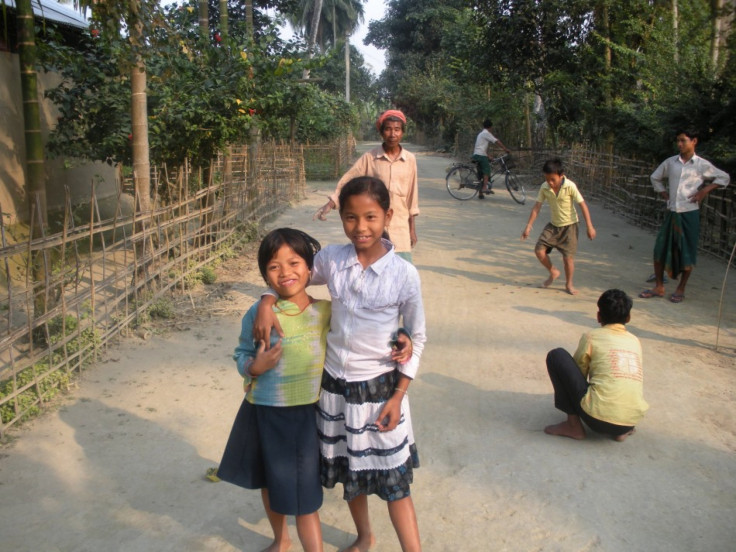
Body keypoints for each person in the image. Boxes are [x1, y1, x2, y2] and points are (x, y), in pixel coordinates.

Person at [259, 177, 427, 552]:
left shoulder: (403, 274)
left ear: (388, 215)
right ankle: (364, 536)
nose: (360, 227)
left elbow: (418, 336)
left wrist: (399, 394)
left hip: (381, 388)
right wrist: (267, 300)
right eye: (350, 217)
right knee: (354, 470)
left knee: (394, 481)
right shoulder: (333, 260)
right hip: (334, 387)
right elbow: (291, 276)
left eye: (370, 217)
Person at [216, 228, 330, 552]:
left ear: (310, 268)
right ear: (265, 273)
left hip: (304, 416)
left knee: (306, 497)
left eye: (294, 263)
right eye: (274, 267)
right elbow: (240, 353)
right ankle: (281, 541)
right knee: (269, 482)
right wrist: (254, 367)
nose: (285, 273)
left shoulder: (324, 314)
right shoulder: (258, 313)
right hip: (261, 411)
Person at [314, 110, 419, 263]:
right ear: (381, 132)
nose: (392, 134)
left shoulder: (410, 159)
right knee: (372, 269)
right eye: (388, 129)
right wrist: (332, 202)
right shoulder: (370, 158)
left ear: (402, 132)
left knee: (401, 271)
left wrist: (412, 230)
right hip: (375, 227)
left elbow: (412, 197)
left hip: (400, 228)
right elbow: (348, 180)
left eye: (397, 129)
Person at [639, 128, 730, 303]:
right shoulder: (671, 162)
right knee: (660, 249)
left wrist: (704, 190)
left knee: (687, 252)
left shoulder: (701, 165)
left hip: (690, 214)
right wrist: (664, 194)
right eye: (678, 141)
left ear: (694, 141)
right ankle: (659, 286)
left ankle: (681, 288)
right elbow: (655, 177)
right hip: (672, 212)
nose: (680, 144)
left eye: (683, 140)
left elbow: (724, 178)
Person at [544, 289, 649, 442]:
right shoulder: (634, 341)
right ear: (629, 317)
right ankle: (621, 431)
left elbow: (577, 374)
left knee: (556, 356)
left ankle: (573, 426)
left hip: (597, 419)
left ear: (599, 316)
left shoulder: (591, 337)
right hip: (630, 421)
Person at [521, 158, 596, 295]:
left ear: (561, 176)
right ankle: (553, 271)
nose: (550, 183)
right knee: (539, 250)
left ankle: (569, 284)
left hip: (570, 227)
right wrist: (528, 226)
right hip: (553, 226)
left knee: (568, 258)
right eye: (547, 179)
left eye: (553, 179)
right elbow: (536, 207)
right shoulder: (544, 187)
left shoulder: (570, 186)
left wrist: (589, 227)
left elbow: (582, 205)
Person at [471, 118, 511, 199]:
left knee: (481, 173)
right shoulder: (486, 133)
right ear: (490, 127)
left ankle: (480, 193)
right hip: (480, 155)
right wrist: (505, 149)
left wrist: (488, 156)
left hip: (477, 154)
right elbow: (497, 141)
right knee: (487, 170)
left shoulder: (481, 134)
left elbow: (481, 147)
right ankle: (485, 187)